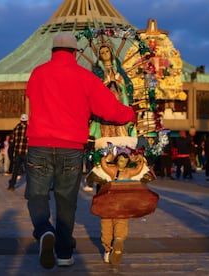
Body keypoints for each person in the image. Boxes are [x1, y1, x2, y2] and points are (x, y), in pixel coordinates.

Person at [24, 32, 136, 269]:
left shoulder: (38, 73)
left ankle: (44, 231)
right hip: (71, 148)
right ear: (75, 53)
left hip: (39, 144)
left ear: (52, 51)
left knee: (37, 195)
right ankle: (64, 253)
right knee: (66, 201)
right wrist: (130, 114)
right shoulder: (85, 77)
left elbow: (31, 96)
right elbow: (109, 109)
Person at [99, 152, 146, 264]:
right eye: (121, 160)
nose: (123, 163)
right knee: (120, 224)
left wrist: (105, 158)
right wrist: (140, 160)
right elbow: (139, 169)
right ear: (117, 161)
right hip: (122, 203)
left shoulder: (113, 170)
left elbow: (104, 165)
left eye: (125, 161)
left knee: (107, 226)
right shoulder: (126, 172)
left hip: (109, 203)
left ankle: (108, 248)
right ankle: (118, 240)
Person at [8, 114, 28, 191]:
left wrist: (11, 154)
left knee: (15, 170)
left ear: (20, 120)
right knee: (29, 172)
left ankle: (11, 185)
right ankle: (30, 187)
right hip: (26, 152)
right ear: (26, 121)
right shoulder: (29, 128)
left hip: (17, 153)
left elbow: (12, 142)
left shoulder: (16, 128)